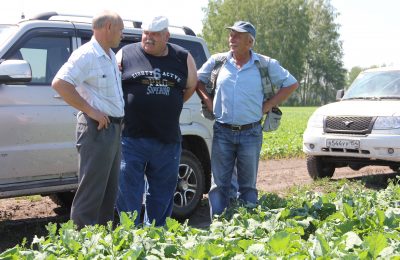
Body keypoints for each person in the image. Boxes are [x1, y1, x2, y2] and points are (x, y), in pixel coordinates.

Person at [196, 21, 299, 217]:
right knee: (219, 185)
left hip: (251, 133)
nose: (231, 39)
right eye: (231, 35)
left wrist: (267, 106)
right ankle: (219, 226)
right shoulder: (218, 61)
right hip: (222, 131)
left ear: (249, 42)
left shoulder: (265, 64)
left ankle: (247, 227)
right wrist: (208, 101)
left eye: (237, 36)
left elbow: (291, 83)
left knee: (247, 187)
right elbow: (196, 79)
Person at [116, 16, 197, 226]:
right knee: (128, 194)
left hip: (167, 140)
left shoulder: (183, 57)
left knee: (161, 196)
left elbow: (189, 87)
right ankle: (130, 238)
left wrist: (168, 103)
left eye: (154, 34)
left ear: (166, 36)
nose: (148, 38)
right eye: (145, 33)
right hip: (131, 139)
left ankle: (155, 239)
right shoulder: (125, 54)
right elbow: (113, 88)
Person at [51, 10, 124, 228]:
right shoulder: (87, 55)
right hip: (96, 129)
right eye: (120, 30)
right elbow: (60, 83)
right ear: (108, 27)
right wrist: (91, 111)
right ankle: (81, 246)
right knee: (91, 195)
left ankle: (101, 246)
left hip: (112, 128)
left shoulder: (109, 55)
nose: (122, 34)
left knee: (108, 194)